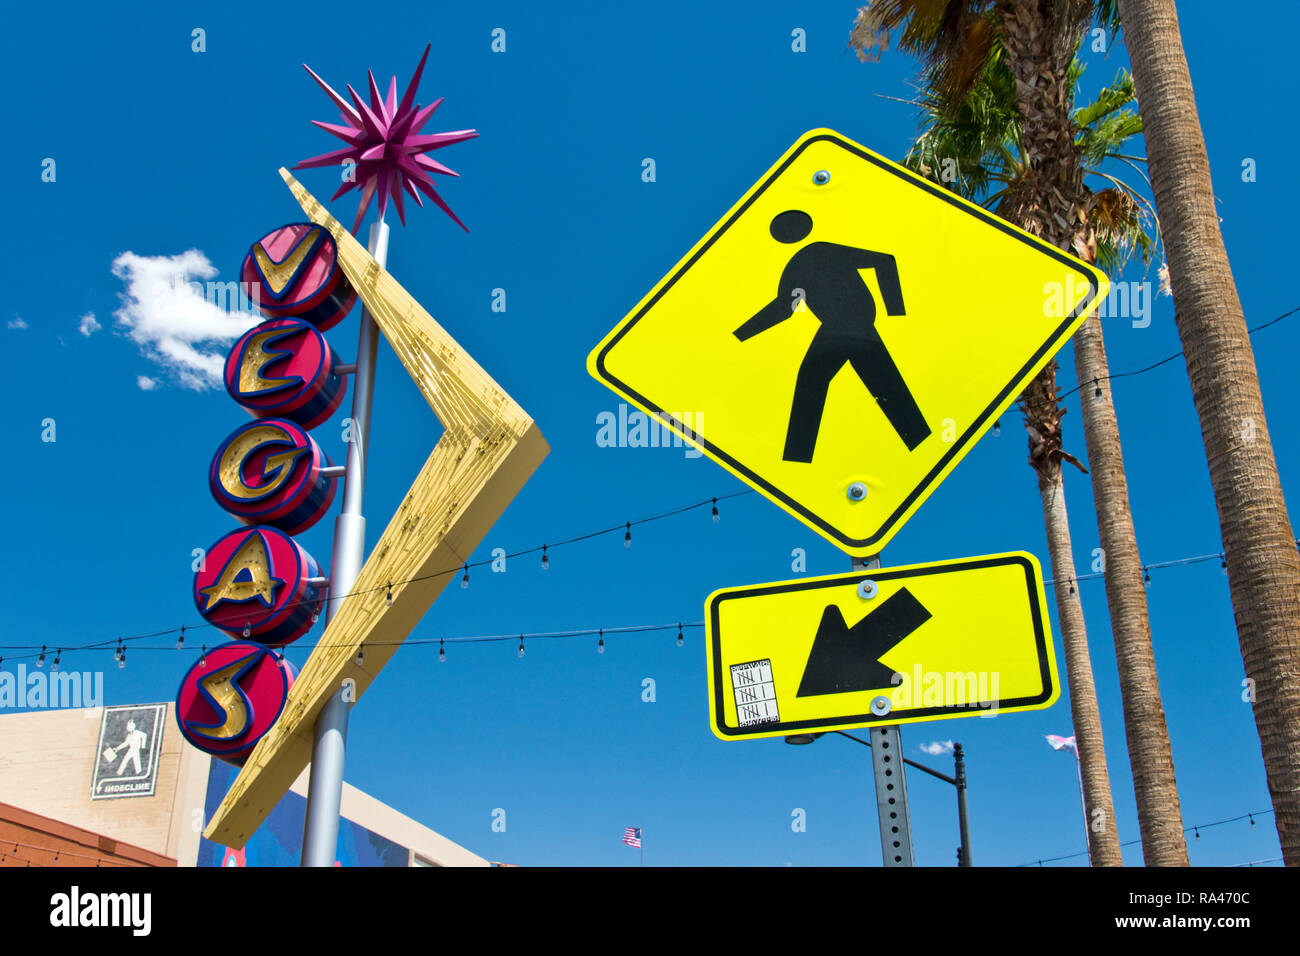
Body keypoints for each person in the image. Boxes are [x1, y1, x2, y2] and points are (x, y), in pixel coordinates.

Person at [734, 210, 931, 462]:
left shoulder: (820, 252)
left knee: (818, 380)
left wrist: (896, 311)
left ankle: (797, 457)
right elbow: (784, 308)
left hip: (848, 326)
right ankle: (919, 438)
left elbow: (884, 261)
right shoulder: (798, 265)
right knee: (872, 380)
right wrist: (740, 334)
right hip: (841, 328)